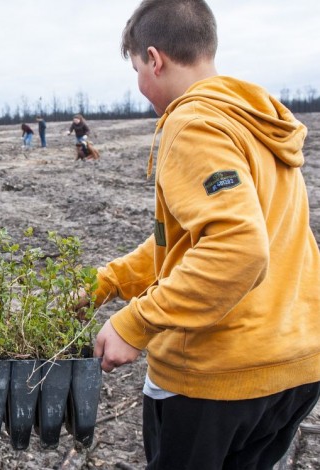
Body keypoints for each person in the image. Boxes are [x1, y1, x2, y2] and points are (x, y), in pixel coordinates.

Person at [86, 1, 320, 468]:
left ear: (154, 58)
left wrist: (135, 324)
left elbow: (237, 249)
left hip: (218, 377)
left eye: (137, 69)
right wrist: (108, 281)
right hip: (295, 364)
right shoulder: (250, 118)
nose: (139, 85)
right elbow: (191, 242)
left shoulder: (193, 123)